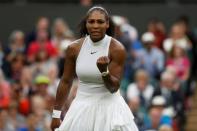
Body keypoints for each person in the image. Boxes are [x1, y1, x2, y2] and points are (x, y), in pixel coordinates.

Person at [50, 6, 138, 131]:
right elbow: (65, 81)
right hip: (81, 108)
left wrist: (104, 72)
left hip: (110, 110)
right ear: (86, 24)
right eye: (91, 21)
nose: (95, 26)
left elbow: (113, 88)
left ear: (107, 24)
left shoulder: (117, 49)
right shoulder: (73, 49)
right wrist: (56, 115)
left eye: (100, 22)